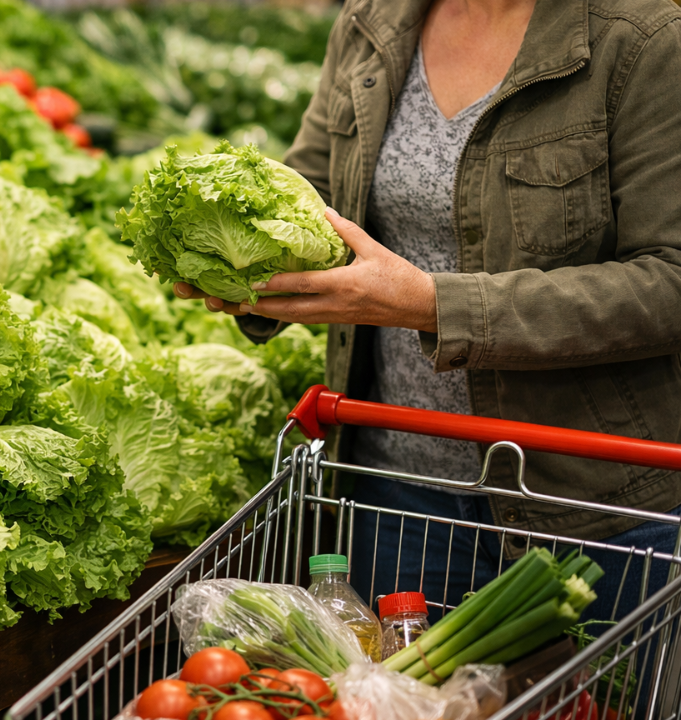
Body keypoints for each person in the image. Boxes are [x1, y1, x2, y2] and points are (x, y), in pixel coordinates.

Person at [174, 0, 681, 625]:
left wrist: (432, 306)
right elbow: (314, 191)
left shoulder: (644, 40)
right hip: (395, 495)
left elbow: (669, 281)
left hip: (582, 508)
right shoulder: (373, 23)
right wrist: (241, 263)